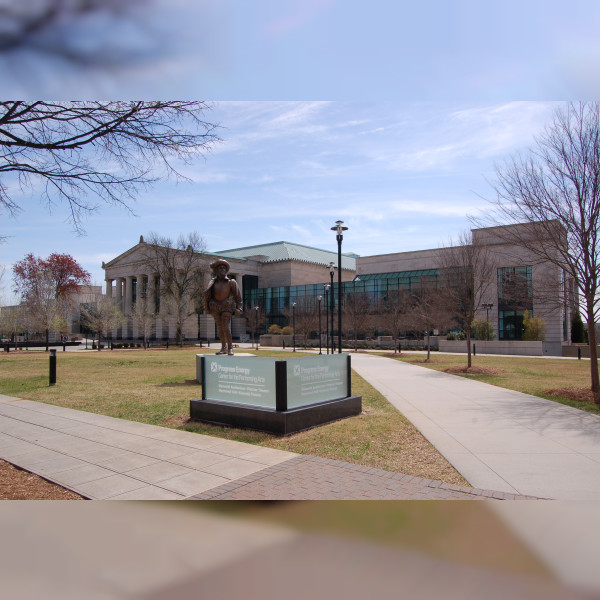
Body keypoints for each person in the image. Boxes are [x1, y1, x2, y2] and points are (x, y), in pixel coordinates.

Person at [202, 259, 242, 355]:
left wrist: (239, 308)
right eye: (220, 267)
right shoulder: (212, 282)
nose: (222, 269)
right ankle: (223, 347)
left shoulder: (231, 282)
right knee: (220, 328)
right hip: (215, 307)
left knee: (225, 327)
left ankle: (230, 348)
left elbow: (238, 297)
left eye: (224, 268)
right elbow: (208, 295)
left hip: (226, 307)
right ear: (216, 270)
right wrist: (208, 307)